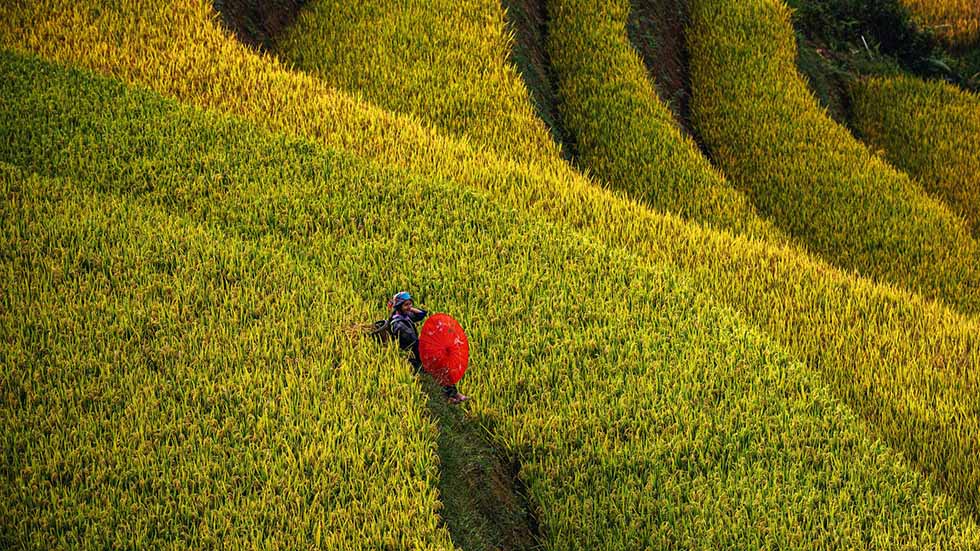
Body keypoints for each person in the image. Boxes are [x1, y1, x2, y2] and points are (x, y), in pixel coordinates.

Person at [388, 291, 469, 404]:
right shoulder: (399, 325)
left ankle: (453, 394)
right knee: (441, 367)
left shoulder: (404, 316)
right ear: (399, 306)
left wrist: (409, 308)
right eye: (406, 305)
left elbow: (421, 314)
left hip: (417, 350)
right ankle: (451, 395)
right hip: (413, 357)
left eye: (410, 304)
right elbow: (415, 344)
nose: (409, 307)